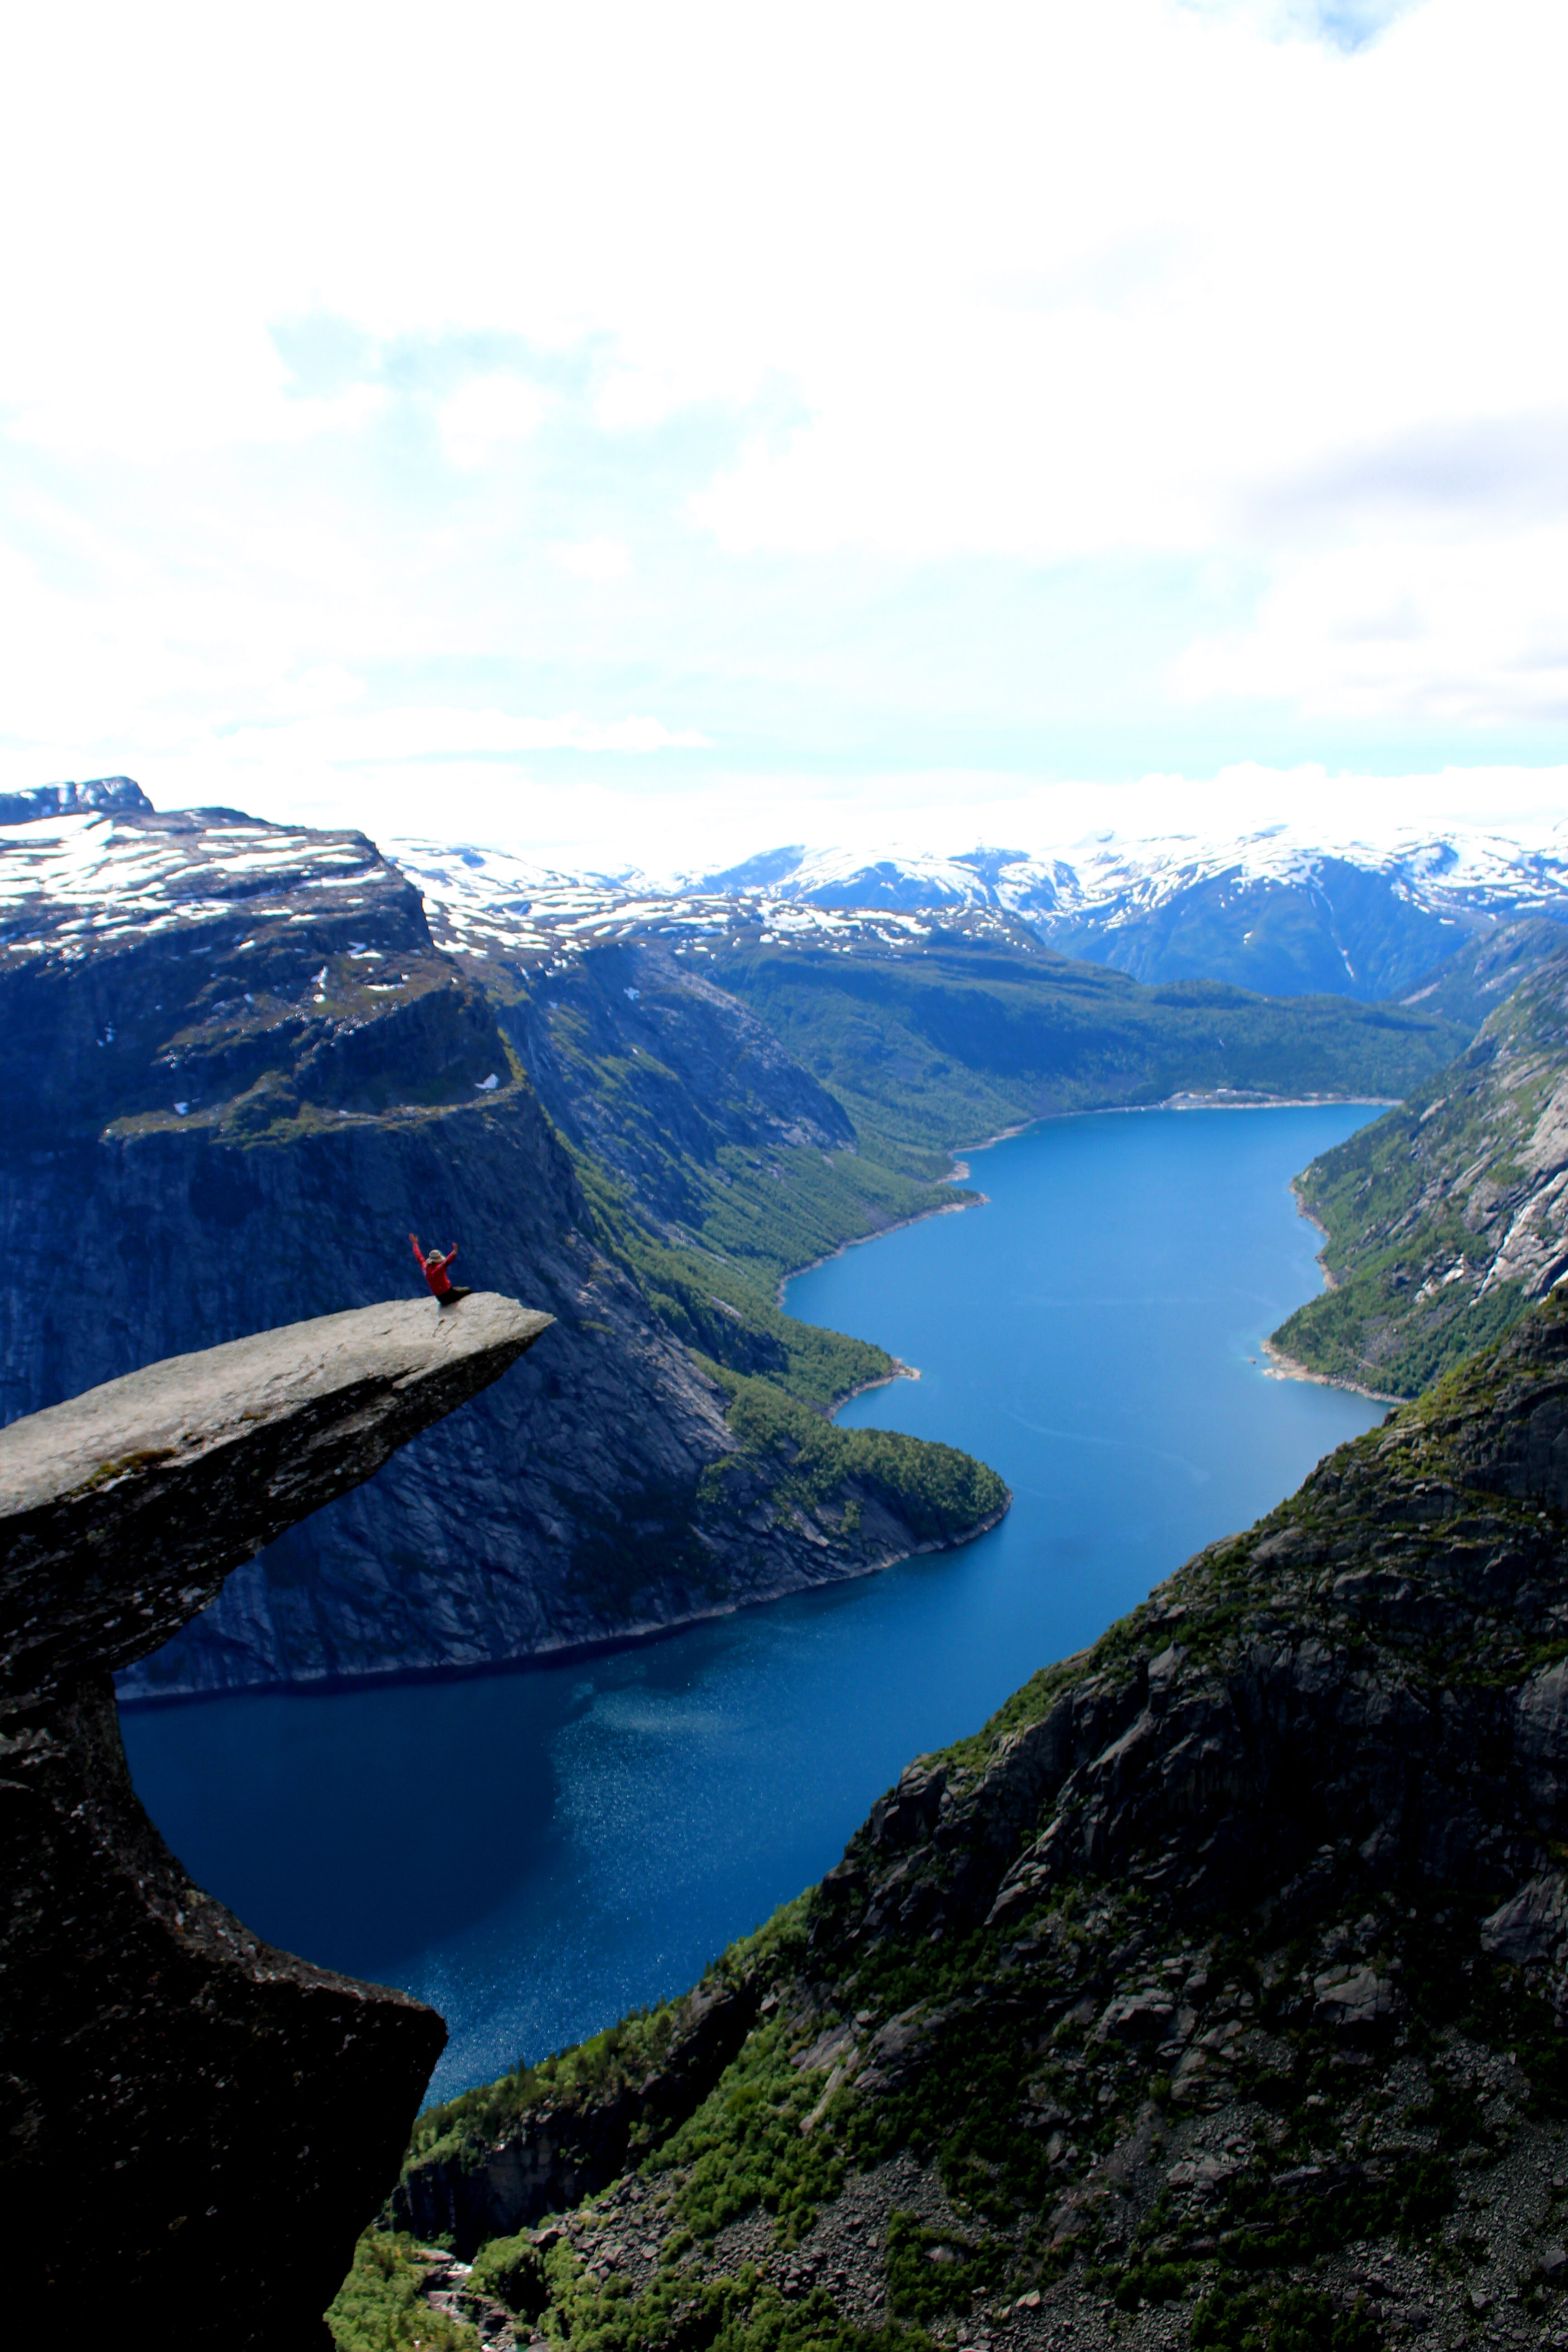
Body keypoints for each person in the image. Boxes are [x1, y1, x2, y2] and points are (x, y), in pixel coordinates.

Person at [410, 1233, 473, 1305]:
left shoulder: (425, 1268)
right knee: (468, 1290)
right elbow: (447, 1262)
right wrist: (454, 1252)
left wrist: (415, 1244)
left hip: (439, 1298)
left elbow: (419, 1256)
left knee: (458, 1289)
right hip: (448, 1296)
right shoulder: (438, 1270)